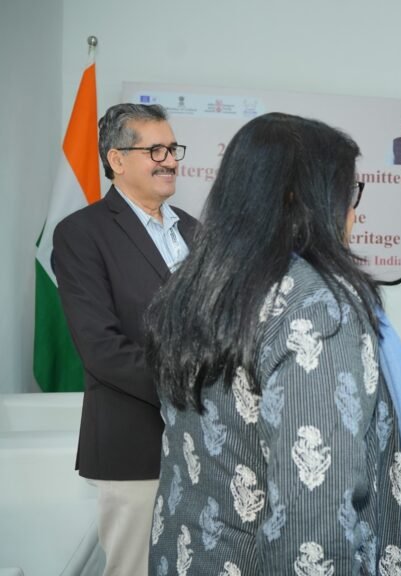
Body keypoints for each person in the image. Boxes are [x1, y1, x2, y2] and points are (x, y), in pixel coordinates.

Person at [144, 113, 401, 575]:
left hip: (186, 553)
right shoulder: (315, 306)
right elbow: (315, 514)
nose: (353, 212)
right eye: (347, 193)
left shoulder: (192, 285)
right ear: (302, 202)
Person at [50, 103, 197, 576]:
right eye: (156, 150)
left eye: (172, 149)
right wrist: (191, 391)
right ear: (116, 159)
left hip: (207, 445)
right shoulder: (82, 233)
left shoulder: (194, 229)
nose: (170, 160)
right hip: (135, 446)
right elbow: (102, 349)